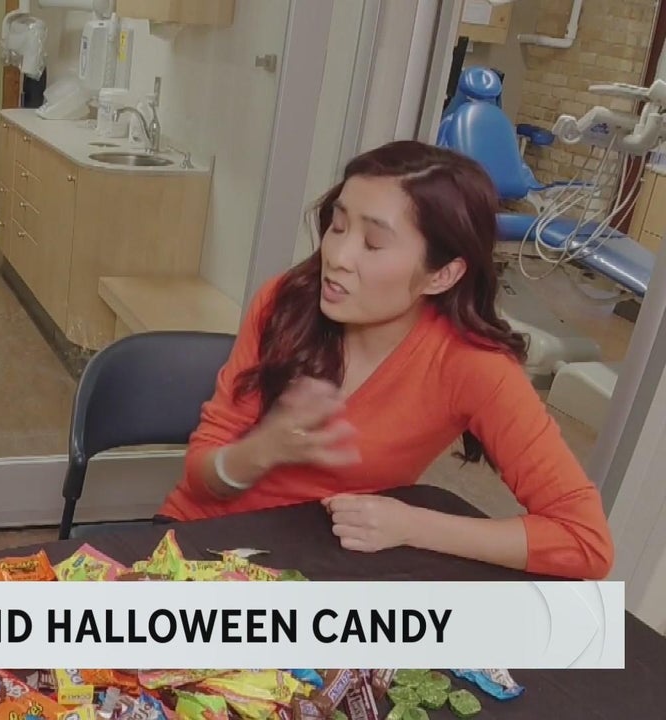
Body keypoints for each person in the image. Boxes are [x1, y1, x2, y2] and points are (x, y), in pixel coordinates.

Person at [157, 141, 614, 580]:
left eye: (373, 243)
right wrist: (263, 449)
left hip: (317, 567)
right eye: (338, 227)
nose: (337, 256)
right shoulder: (285, 303)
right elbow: (199, 479)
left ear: (443, 274)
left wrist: (413, 525)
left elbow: (585, 541)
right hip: (195, 544)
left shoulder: (473, 365)